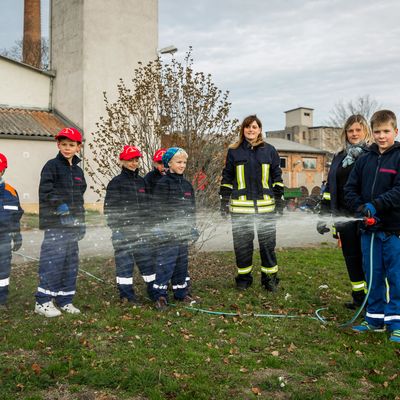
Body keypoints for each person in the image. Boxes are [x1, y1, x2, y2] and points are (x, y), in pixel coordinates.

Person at [344, 110, 400, 343]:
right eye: (377, 131)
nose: (381, 136)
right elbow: (350, 188)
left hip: (393, 231)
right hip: (369, 231)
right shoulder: (364, 158)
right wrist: (361, 209)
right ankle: (374, 319)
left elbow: (398, 192)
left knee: (396, 277)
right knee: (373, 275)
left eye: (386, 131)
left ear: (395, 131)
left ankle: (396, 323)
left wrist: (375, 206)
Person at [219, 115, 284, 291]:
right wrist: (224, 200)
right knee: (242, 246)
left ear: (260, 130)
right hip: (240, 208)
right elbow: (227, 176)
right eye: (248, 127)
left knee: (268, 246)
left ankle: (270, 280)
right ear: (243, 130)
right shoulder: (234, 151)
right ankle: (243, 280)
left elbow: (277, 176)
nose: (251, 130)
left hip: (266, 208)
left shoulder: (270, 150)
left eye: (254, 127)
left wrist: (279, 199)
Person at [317, 115, 373, 309]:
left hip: (364, 217)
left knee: (369, 260)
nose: (354, 134)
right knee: (351, 258)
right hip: (343, 216)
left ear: (366, 131)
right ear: (345, 133)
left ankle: (373, 301)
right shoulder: (339, 157)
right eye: (350, 130)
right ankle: (359, 298)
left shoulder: (372, 155)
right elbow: (330, 190)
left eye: (358, 130)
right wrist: (323, 216)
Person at [35, 127, 86, 317]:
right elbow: (46, 191)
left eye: (71, 145)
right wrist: (61, 208)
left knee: (70, 263)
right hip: (56, 225)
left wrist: (81, 223)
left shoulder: (78, 171)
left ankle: (65, 299)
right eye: (63, 144)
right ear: (58, 145)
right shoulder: (51, 166)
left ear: (78, 147)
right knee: (53, 262)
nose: (67, 148)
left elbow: (80, 200)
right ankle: (43, 301)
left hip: (73, 226)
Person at [104, 145, 156, 304]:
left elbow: (148, 206)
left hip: (141, 232)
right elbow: (109, 208)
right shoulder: (116, 183)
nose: (133, 163)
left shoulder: (142, 182)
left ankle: (154, 293)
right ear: (122, 161)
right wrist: (118, 228)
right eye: (129, 160)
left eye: (135, 160)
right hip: (123, 232)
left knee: (147, 263)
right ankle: (126, 296)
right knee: (124, 266)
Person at [152, 147, 198, 310]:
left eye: (184, 162)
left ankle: (181, 293)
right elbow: (158, 209)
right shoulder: (163, 184)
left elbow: (191, 208)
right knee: (166, 264)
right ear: (169, 163)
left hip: (183, 233)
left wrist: (192, 226)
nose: (182, 165)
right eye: (179, 162)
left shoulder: (186, 185)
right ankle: (160, 296)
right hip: (168, 234)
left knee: (181, 264)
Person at [0, 153, 24, 309]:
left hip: (4, 240)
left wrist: (17, 234)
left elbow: (15, 216)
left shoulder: (11, 192)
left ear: (3, 170)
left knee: (2, 270)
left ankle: (1, 299)